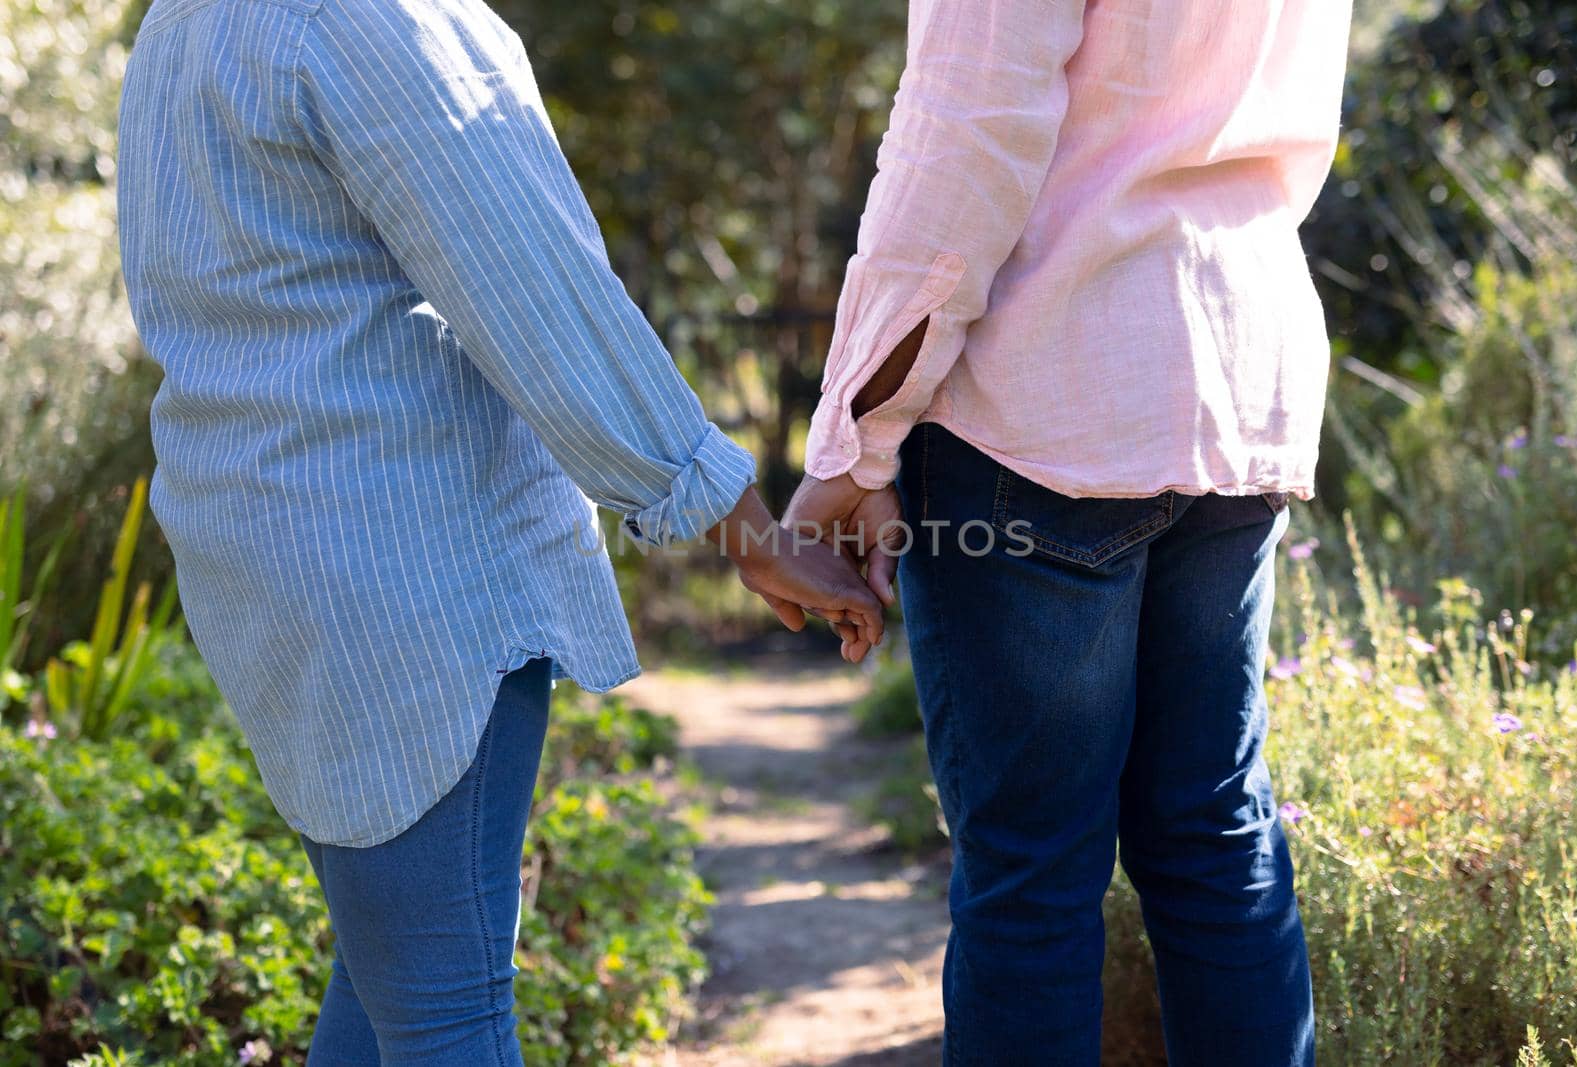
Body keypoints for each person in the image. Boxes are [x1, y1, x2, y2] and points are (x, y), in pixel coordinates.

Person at [114, 0, 883, 1061]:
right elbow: (540, 294)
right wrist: (741, 524)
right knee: (444, 1013)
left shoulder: (184, 19)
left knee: (387, 985)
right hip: (405, 564)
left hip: (268, 552)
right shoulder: (380, 17)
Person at [784, 1, 1353, 1063]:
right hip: (1238, 366)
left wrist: (855, 439)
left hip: (1045, 386)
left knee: (1031, 873)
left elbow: (965, 132)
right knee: (1213, 834)